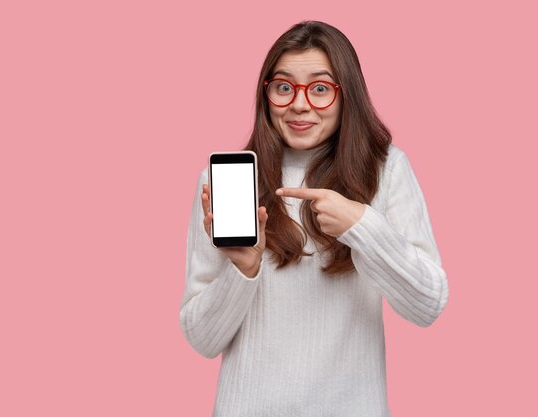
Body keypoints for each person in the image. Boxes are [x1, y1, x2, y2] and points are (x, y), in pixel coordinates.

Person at [179, 20, 449, 417]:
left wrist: (363, 225)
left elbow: (428, 305)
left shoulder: (386, 170)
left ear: (346, 95)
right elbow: (202, 340)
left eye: (320, 88)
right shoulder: (228, 183)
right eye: (284, 87)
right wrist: (243, 270)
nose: (299, 104)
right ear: (266, 93)